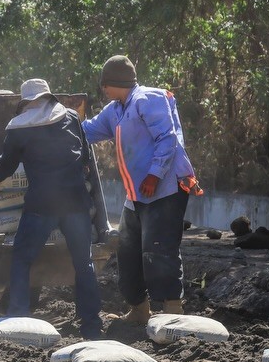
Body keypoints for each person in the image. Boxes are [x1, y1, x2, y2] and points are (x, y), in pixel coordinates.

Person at [81, 55, 203, 324]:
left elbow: (167, 138)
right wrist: (65, 123)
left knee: (159, 249)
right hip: (136, 195)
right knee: (127, 250)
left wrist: (154, 174)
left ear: (116, 82)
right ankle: (139, 309)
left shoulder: (147, 99)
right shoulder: (115, 110)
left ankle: (173, 310)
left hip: (164, 189)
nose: (103, 89)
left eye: (105, 84)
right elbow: (87, 131)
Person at [0, 78, 102, 339]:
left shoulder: (20, 127)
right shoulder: (71, 117)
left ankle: (18, 316)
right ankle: (91, 324)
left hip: (41, 205)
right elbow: (84, 156)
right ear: (49, 98)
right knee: (84, 262)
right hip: (76, 202)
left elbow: (7, 163)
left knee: (22, 259)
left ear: (26, 103)